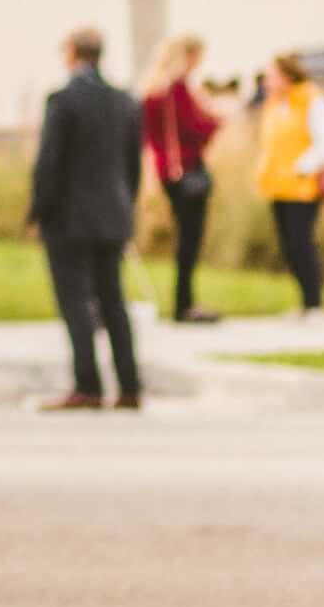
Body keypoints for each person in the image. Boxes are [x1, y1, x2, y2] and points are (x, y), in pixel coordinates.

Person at [30, 27, 146, 409]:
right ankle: (129, 385)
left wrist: (39, 211)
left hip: (69, 217)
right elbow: (132, 165)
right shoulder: (124, 101)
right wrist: (127, 205)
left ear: (72, 53)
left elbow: (49, 163)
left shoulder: (63, 101)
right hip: (113, 215)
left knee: (76, 302)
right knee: (113, 301)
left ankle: (88, 384)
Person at [256, 53, 324, 317]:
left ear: (287, 75)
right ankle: (306, 302)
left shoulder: (312, 100)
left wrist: (300, 168)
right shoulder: (274, 103)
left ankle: (315, 303)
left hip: (302, 186)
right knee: (288, 245)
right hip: (277, 185)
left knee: (301, 242)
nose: (267, 82)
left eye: (272, 76)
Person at [143, 33, 223, 324]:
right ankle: (184, 303)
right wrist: (215, 119)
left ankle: (183, 301)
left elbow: (149, 134)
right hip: (187, 171)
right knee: (190, 238)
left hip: (167, 172)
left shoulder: (152, 91)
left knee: (184, 238)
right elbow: (195, 127)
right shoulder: (176, 91)